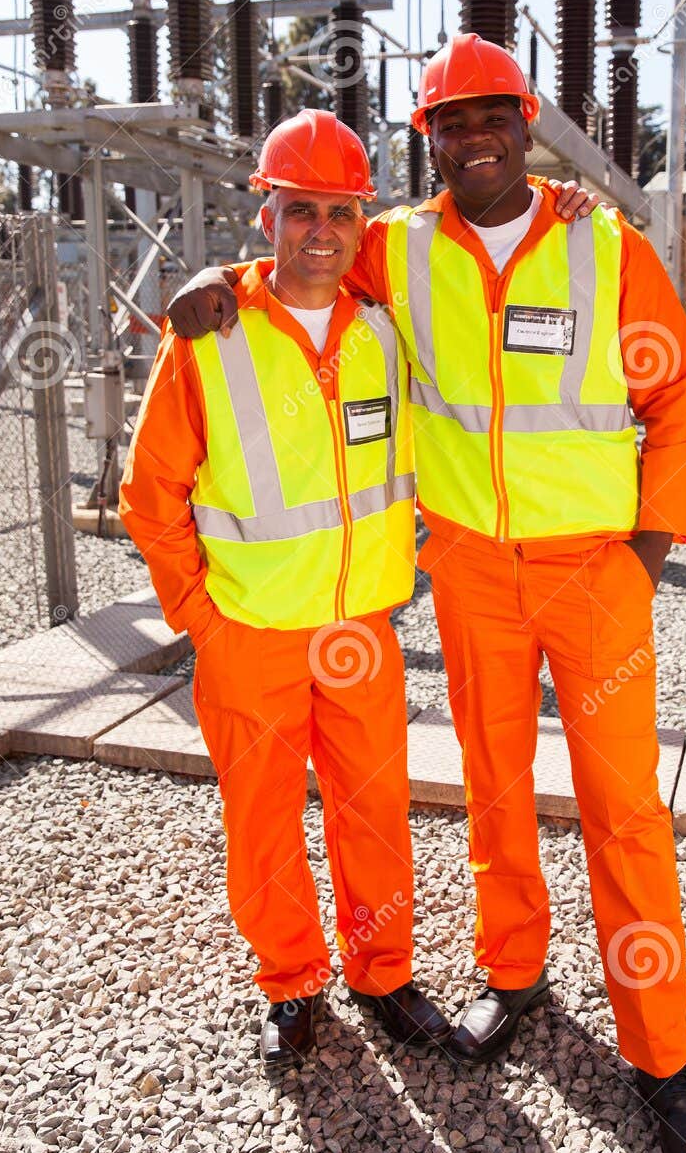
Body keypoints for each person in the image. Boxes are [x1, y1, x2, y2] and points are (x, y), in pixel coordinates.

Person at [169, 35, 686, 1153]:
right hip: (469, 568)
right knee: (491, 783)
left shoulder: (604, 244)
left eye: (491, 116)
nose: (472, 137)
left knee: (624, 809)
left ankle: (660, 1058)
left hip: (593, 577)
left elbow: (673, 398)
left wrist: (645, 556)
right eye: (449, 122)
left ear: (526, 123)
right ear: (427, 139)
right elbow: (298, 264)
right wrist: (220, 283)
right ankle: (513, 973)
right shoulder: (397, 246)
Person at [120, 111, 452, 1068]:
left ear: (362, 223)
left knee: (375, 812)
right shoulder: (211, 334)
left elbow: (470, 239)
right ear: (266, 215)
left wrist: (564, 204)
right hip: (251, 635)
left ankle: (383, 974)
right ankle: (291, 983)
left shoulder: (388, 333)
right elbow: (152, 495)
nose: (320, 231)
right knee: (262, 821)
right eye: (298, 208)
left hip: (361, 627)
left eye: (340, 212)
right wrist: (198, 618)